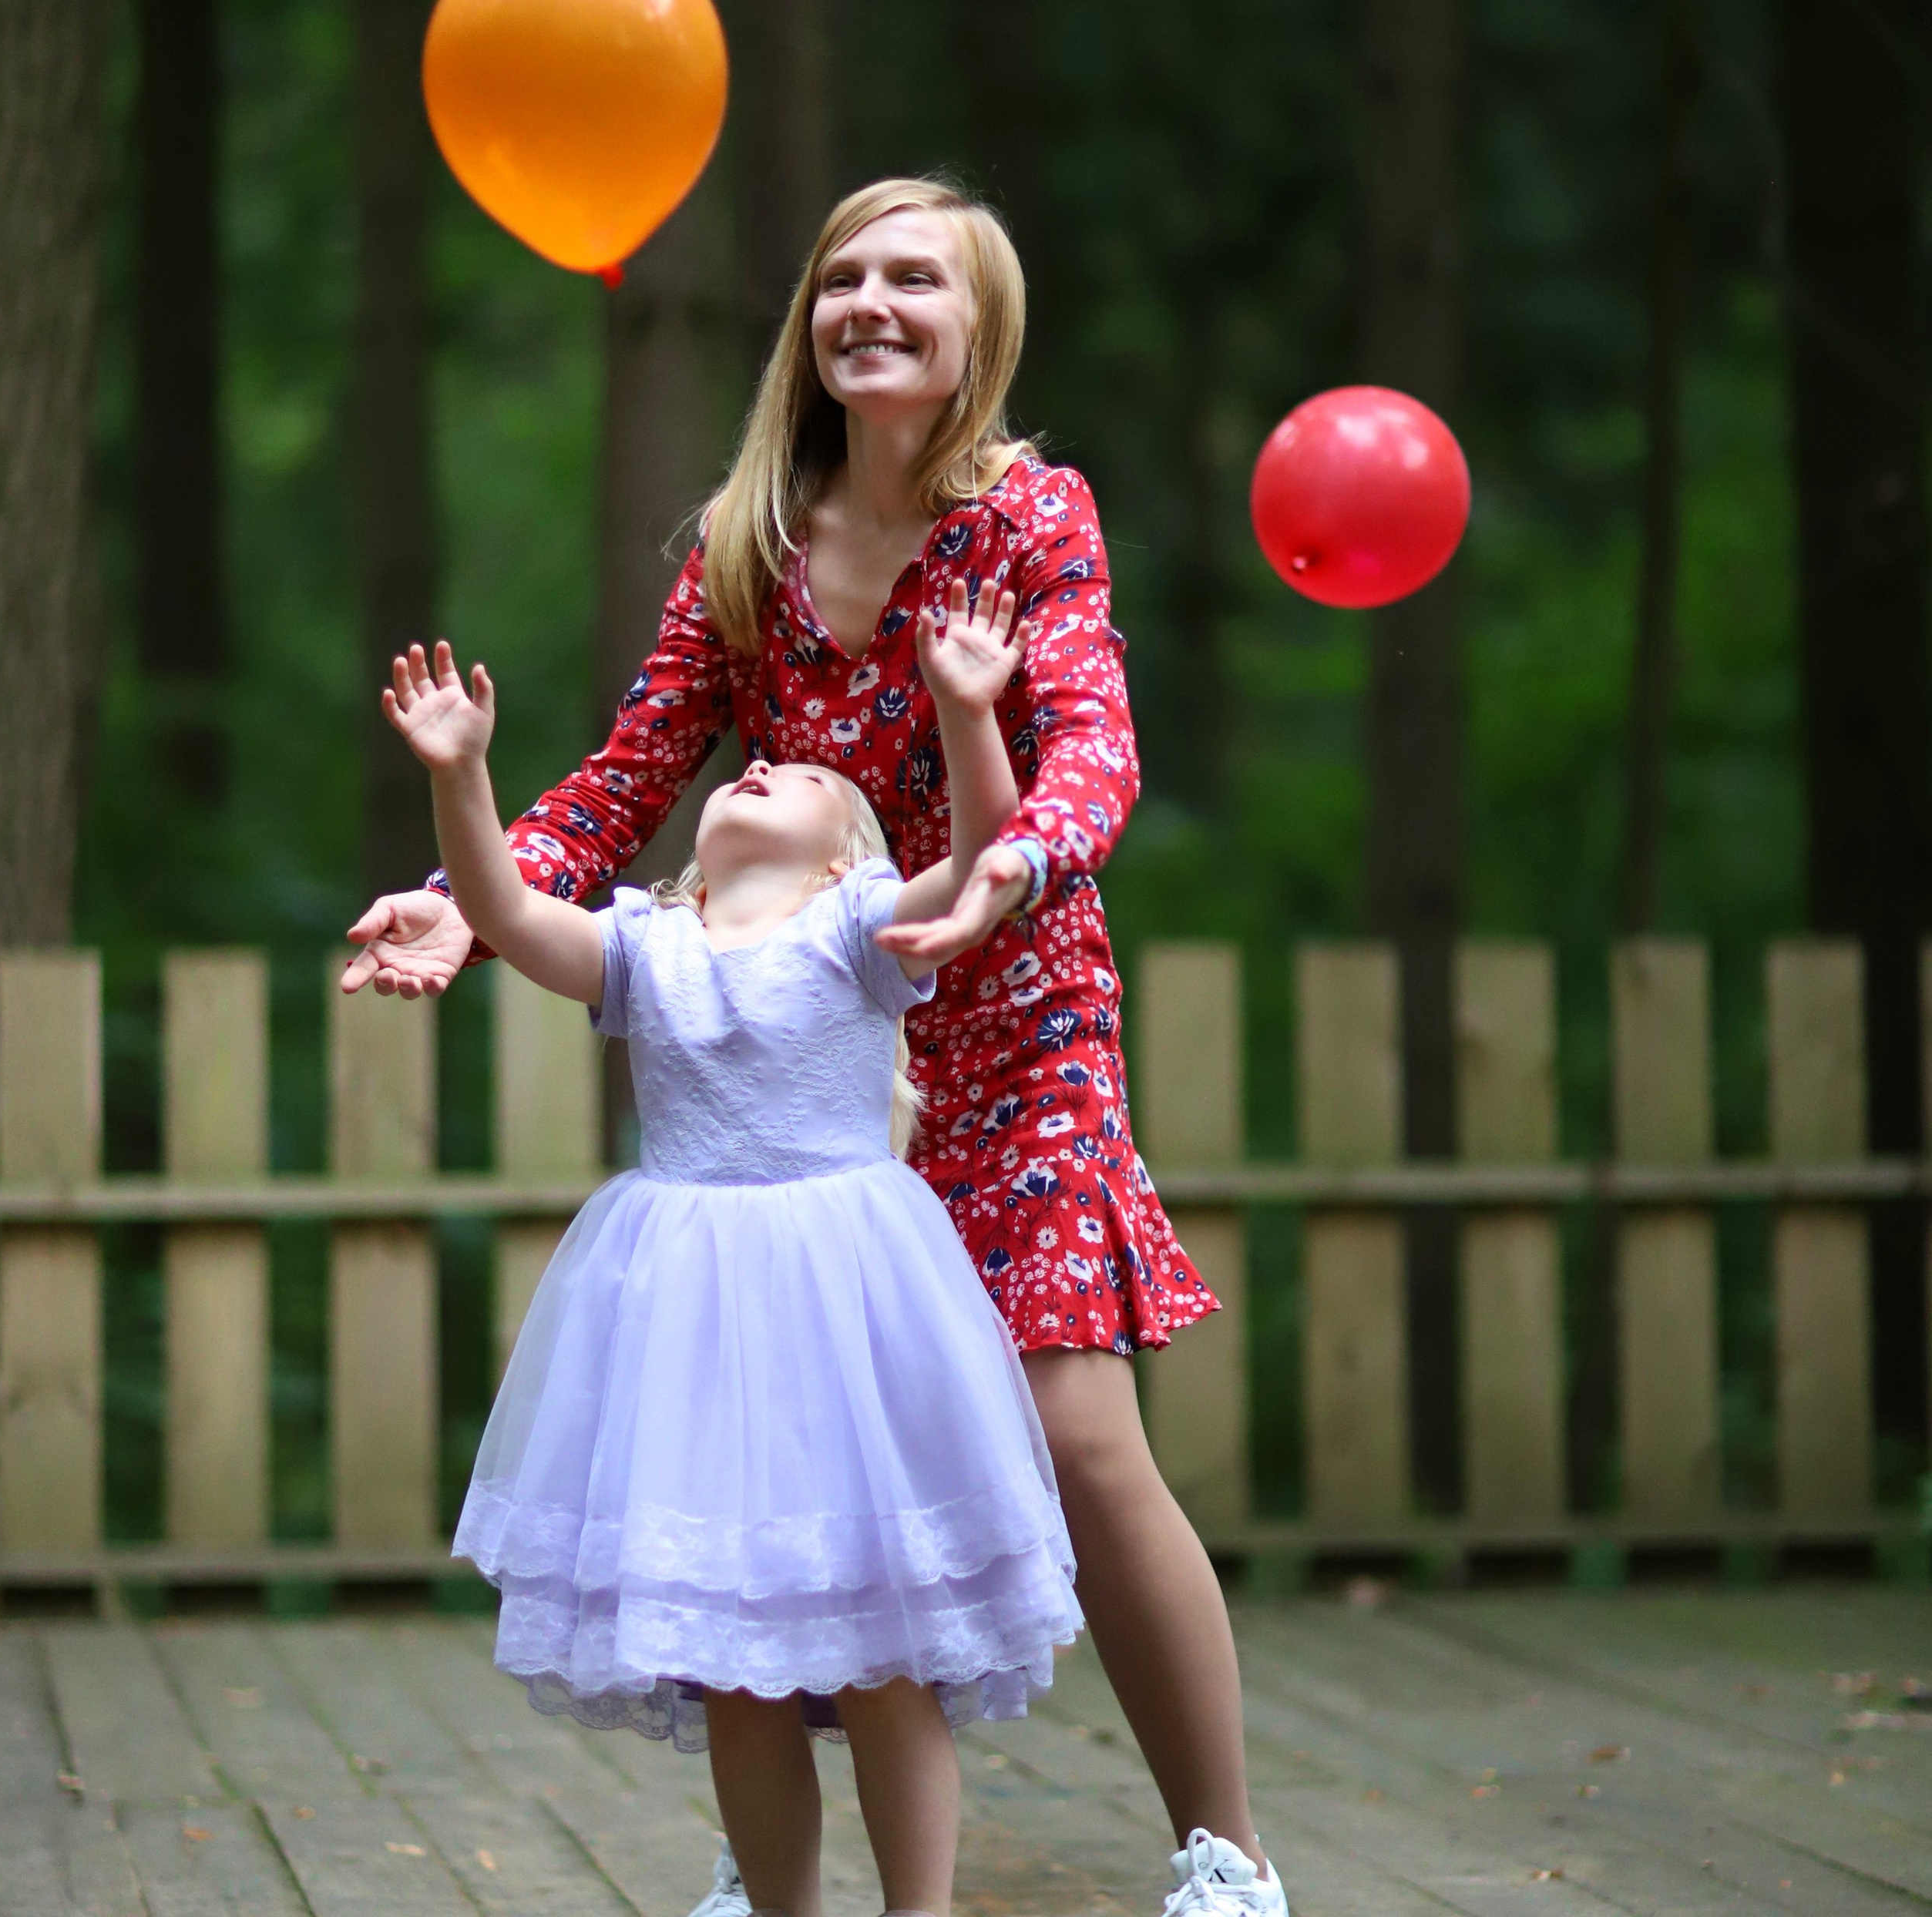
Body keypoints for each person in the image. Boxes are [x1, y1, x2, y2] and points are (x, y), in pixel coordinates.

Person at [344, 176, 1288, 1917]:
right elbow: (632, 777)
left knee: (1076, 1435)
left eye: (913, 277)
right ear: (808, 326)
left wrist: (1004, 864)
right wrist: (470, 899)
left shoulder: (1029, 519)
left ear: (975, 331)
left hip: (1008, 1022)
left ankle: (1220, 1849)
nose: (870, 299)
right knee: (784, 1455)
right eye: (841, 274)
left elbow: (1094, 742)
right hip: (810, 1058)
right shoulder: (754, 540)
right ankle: (767, 1850)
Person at [382, 583, 1084, 1917]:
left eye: (802, 773)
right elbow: (511, 913)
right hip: (693, 1328)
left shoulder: (859, 930)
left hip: (848, 1309)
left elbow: (990, 846)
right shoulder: (649, 946)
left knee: (883, 1651)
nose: (758, 762)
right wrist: (464, 779)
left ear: (843, 859)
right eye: (746, 766)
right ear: (698, 855)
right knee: (738, 1670)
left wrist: (966, 709)